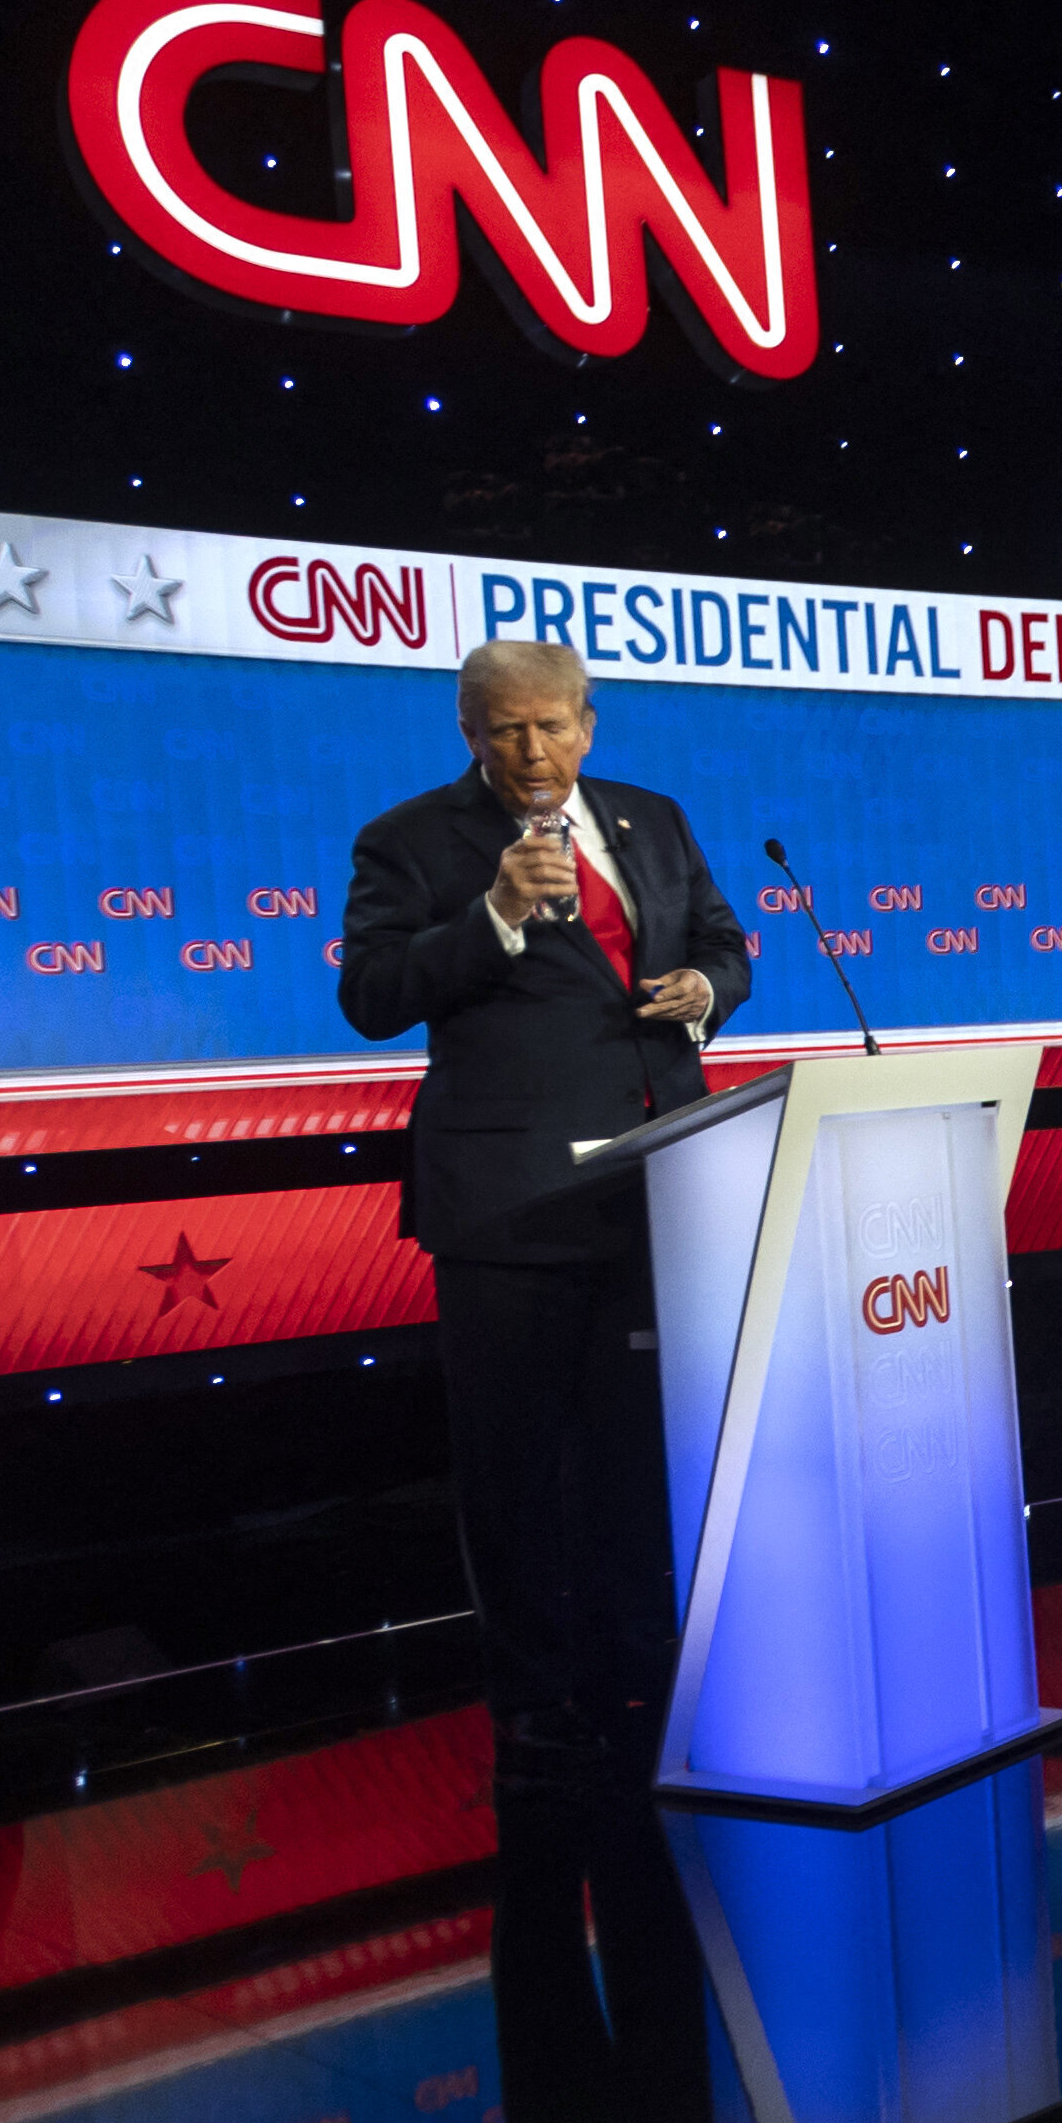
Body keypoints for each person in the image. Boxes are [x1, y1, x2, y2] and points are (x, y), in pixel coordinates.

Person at [339, 639, 747, 1746]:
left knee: (637, 1454)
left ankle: (642, 1672)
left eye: (553, 725)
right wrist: (495, 919)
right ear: (469, 732)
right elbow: (371, 996)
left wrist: (711, 986)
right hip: (509, 1203)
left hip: (658, 1192)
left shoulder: (650, 819)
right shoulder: (410, 840)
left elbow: (719, 939)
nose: (534, 751)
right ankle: (533, 1697)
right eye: (507, 729)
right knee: (516, 1467)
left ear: (589, 724)